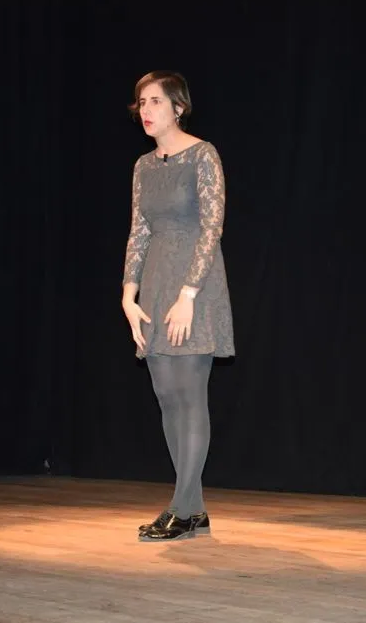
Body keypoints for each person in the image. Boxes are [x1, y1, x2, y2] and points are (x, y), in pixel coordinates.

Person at [121, 70, 235, 542]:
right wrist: (128, 293)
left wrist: (189, 294)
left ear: (178, 107)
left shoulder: (203, 155)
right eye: (141, 102)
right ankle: (194, 510)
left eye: (154, 101)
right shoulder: (143, 166)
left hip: (195, 284)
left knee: (190, 396)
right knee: (167, 396)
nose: (145, 110)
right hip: (155, 283)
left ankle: (181, 509)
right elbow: (139, 230)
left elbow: (212, 227)